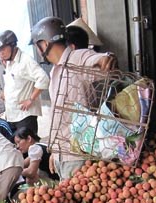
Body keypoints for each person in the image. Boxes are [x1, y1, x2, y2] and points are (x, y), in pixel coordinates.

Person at [30, 16, 117, 180]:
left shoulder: (77, 58)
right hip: (63, 153)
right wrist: (54, 151)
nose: (38, 49)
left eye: (37, 45)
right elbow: (58, 118)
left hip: (79, 154)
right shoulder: (55, 71)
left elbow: (93, 59)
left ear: (45, 43)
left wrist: (107, 57)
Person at [0, 30, 50, 134]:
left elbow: (43, 78)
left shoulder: (26, 60)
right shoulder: (9, 62)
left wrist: (30, 99)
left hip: (25, 115)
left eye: (3, 49)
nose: (0, 53)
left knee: (28, 146)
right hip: (13, 114)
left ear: (12, 45)